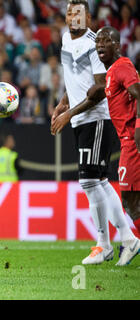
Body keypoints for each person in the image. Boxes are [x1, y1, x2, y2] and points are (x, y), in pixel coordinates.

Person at [50, 0, 138, 266]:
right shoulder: (66, 40)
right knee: (97, 181)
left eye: (78, 13)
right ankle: (124, 240)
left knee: (90, 181)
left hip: (96, 118)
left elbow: (101, 91)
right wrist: (64, 102)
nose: (72, 18)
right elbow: (75, 76)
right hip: (80, 119)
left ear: (88, 17)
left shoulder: (93, 43)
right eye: (68, 13)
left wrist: (70, 113)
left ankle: (108, 243)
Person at [88, 26, 140, 265]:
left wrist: (138, 125)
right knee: (131, 200)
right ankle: (132, 241)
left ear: (117, 45)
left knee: (129, 199)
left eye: (106, 40)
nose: (100, 44)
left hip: (133, 141)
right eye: (98, 41)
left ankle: (133, 241)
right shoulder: (111, 73)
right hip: (126, 140)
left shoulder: (123, 67)